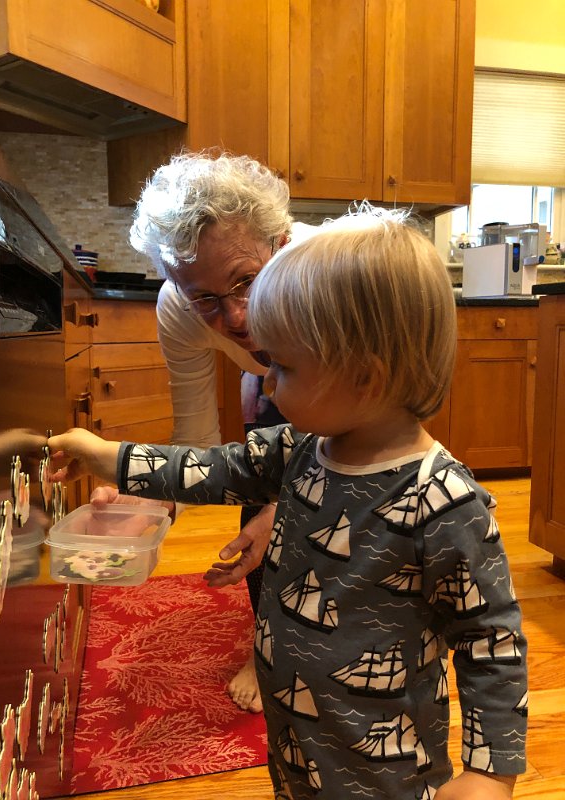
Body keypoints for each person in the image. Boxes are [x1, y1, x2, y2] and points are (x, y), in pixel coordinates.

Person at [49, 206, 527, 800]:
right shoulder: (299, 448)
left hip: (385, 768)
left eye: (282, 366)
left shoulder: (444, 501)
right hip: (295, 741)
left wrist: (490, 772)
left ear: (365, 378)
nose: (267, 382)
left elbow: (491, 642)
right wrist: (109, 458)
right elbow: (210, 468)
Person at [126, 151, 313, 713]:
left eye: (246, 282)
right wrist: (152, 498)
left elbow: (370, 422)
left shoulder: (327, 272)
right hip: (282, 385)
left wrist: (290, 508)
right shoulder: (177, 309)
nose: (233, 318)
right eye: (204, 297)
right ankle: (269, 641)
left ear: (281, 245)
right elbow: (198, 440)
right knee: (260, 493)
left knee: (330, 511)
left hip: (366, 388)